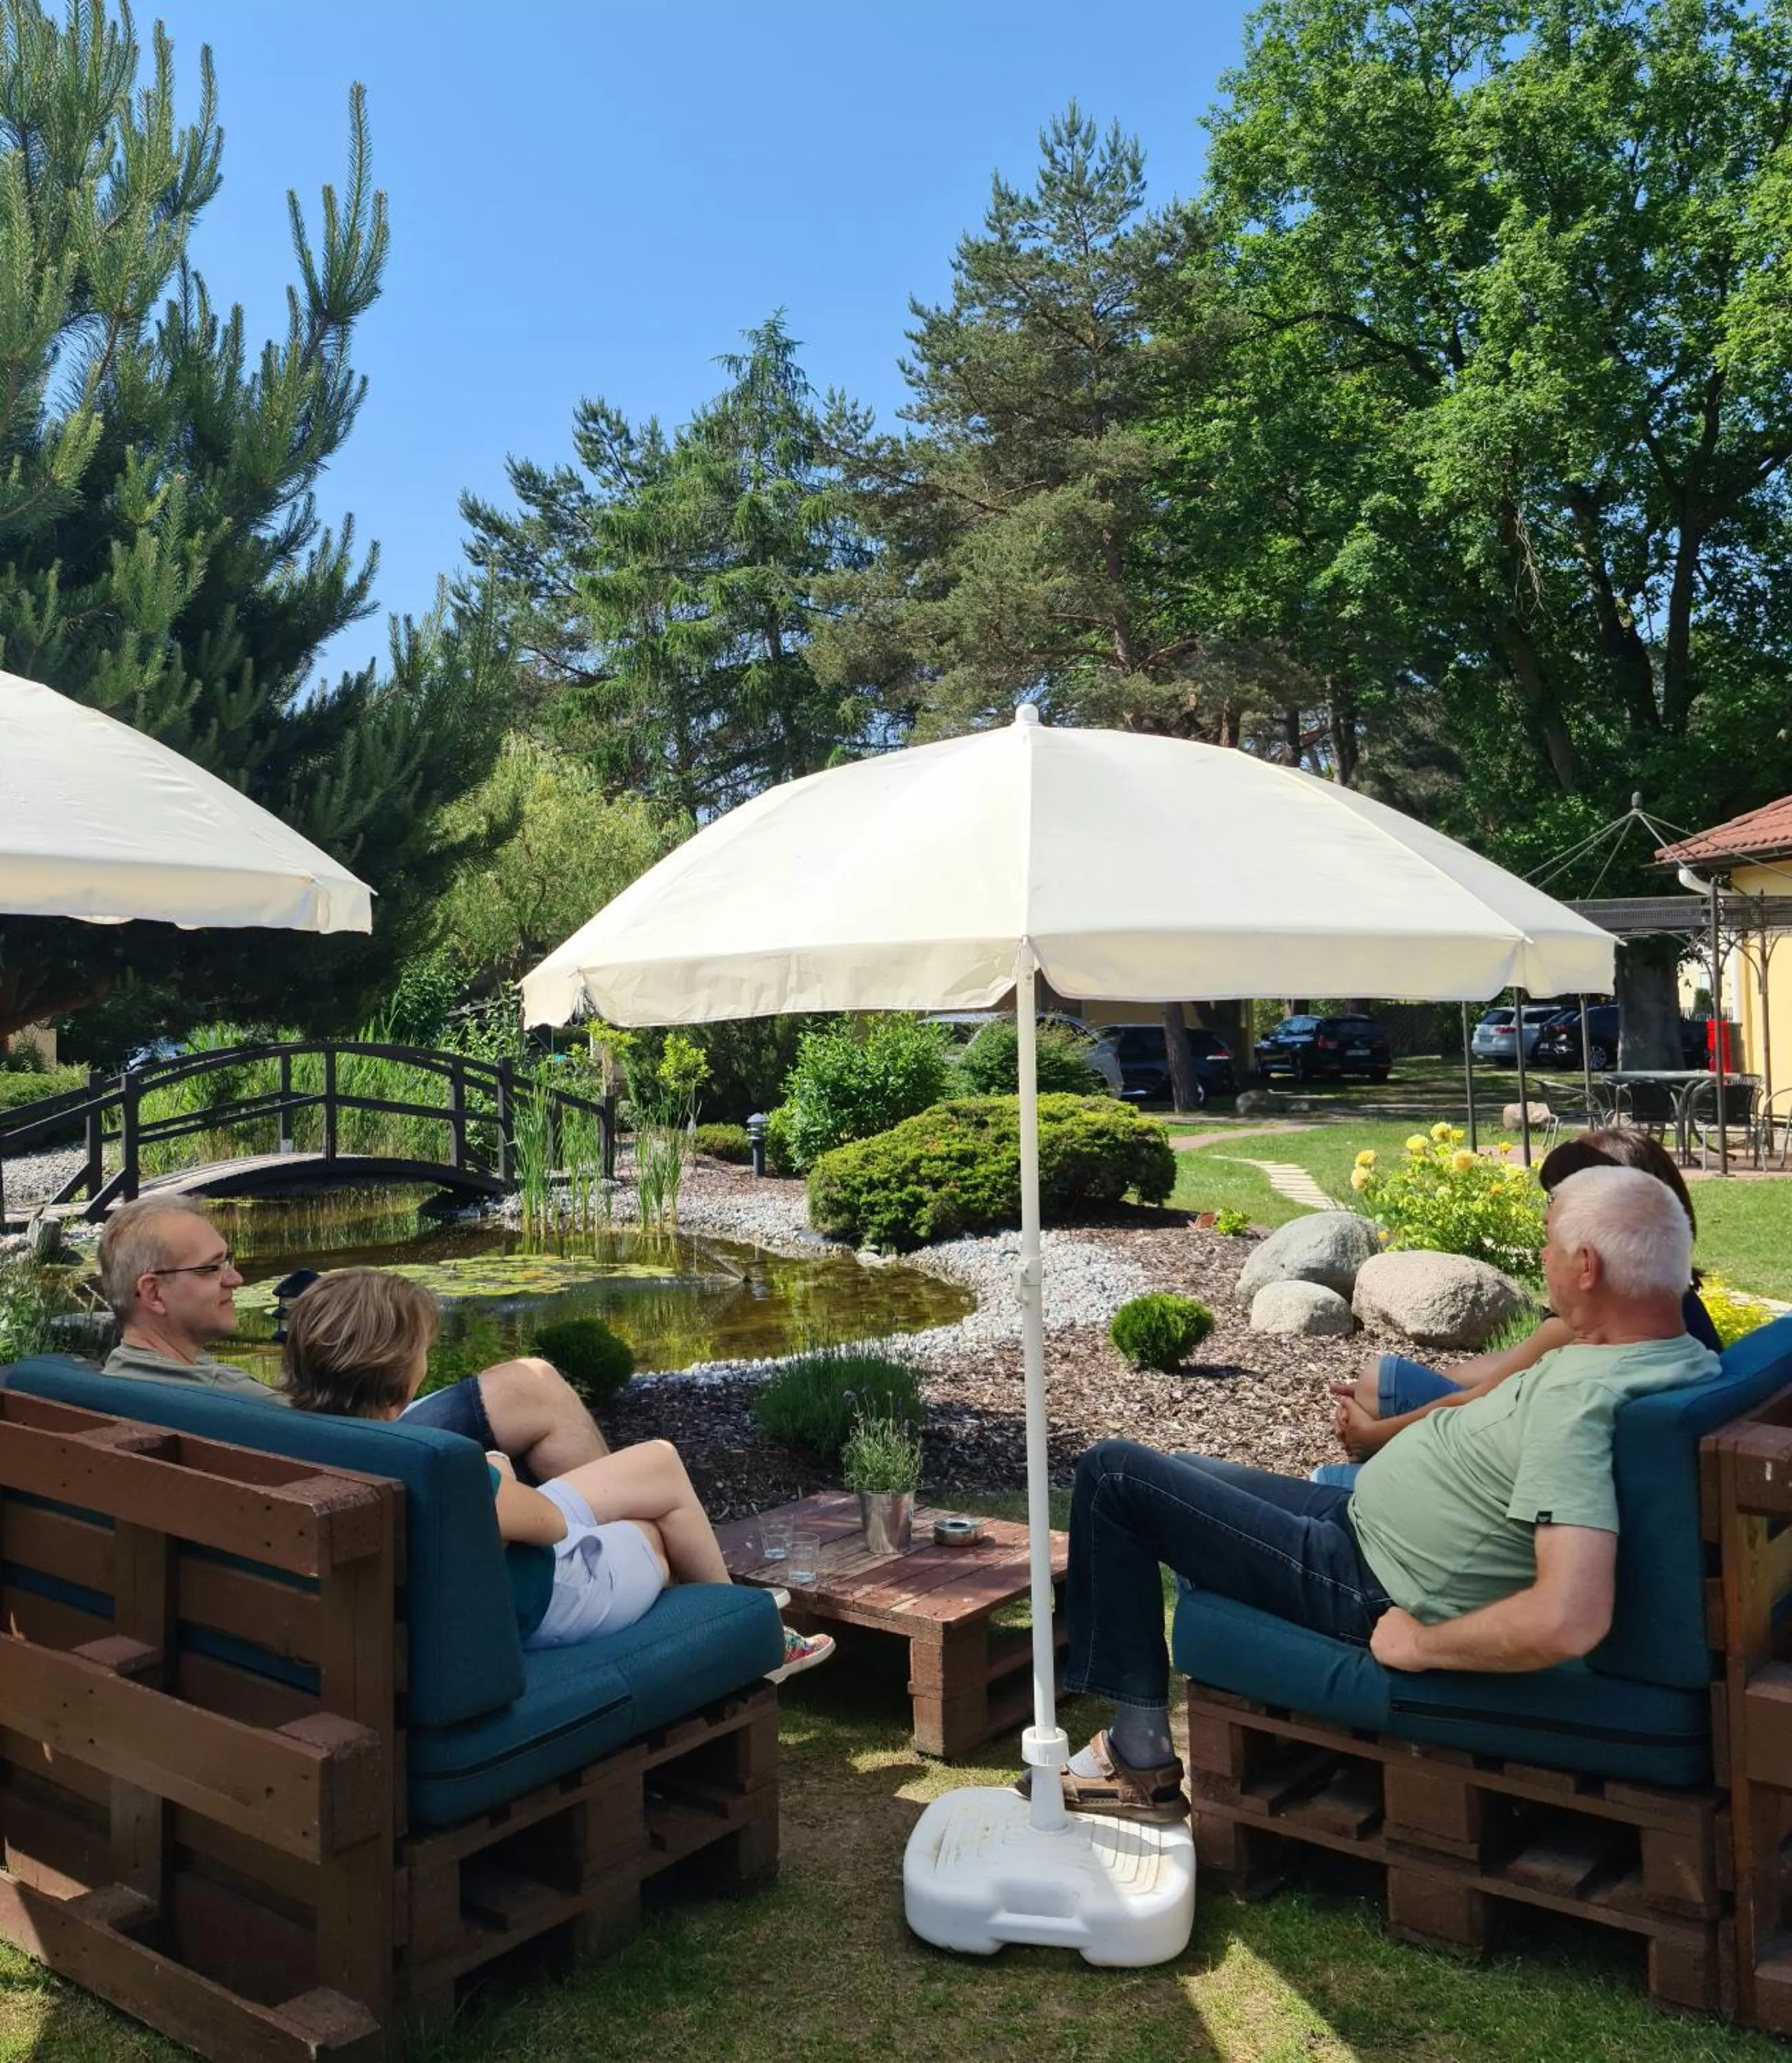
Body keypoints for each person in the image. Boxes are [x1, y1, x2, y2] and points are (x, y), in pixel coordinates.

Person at [1037, 1166, 1720, 1820]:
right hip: (1358, 1523)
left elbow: (1568, 1615)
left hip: (1368, 1583)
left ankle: (1137, 1759)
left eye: (1547, 1240)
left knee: (1113, 1476)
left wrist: (1419, 1645)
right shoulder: (1666, 1352)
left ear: (1586, 1268)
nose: (1539, 1255)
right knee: (1177, 1470)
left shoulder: (1580, 1405)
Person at [281, 1267, 833, 1679]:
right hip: (542, 1603)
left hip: (468, 1582)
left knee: (659, 1459)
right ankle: (751, 1640)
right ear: (404, 1375)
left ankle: (743, 1618)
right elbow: (547, 1524)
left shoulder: (295, 1443)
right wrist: (496, 1467)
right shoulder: (437, 1464)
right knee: (654, 1535)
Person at [96, 1194, 611, 1480]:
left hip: (326, 1467)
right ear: (154, 1294)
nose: (235, 1279)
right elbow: (335, 1444)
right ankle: (603, 1559)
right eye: (213, 1269)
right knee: (533, 1384)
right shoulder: (215, 1403)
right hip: (360, 1467)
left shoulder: (125, 1381)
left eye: (230, 1261)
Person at [1320, 1128, 1720, 1485]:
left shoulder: (1604, 1332)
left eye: (1561, 1199)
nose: (1548, 1216)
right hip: (1536, 1454)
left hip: (1502, 1469)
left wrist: (1373, 1434)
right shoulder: (1663, 1310)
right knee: (1382, 1384)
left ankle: (1379, 1473)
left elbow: (1484, 1402)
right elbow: (1509, 1365)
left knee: (1375, 1396)